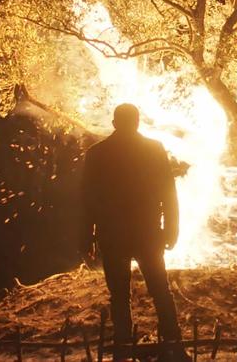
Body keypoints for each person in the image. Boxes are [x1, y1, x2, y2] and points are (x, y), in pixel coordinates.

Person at [82, 103, 184, 359]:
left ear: (115, 122)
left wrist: (86, 236)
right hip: (147, 232)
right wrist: (171, 229)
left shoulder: (98, 153)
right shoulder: (153, 149)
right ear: (137, 122)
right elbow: (169, 194)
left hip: (113, 234)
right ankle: (172, 338)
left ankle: (123, 342)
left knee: (118, 293)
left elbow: (87, 200)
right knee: (160, 288)